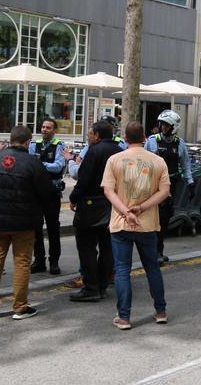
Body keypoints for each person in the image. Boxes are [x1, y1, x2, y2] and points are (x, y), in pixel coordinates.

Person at [0, 125, 58, 321]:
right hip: (24, 222)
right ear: (28, 142)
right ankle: (19, 307)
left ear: (10, 139)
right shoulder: (32, 163)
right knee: (21, 263)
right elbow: (46, 193)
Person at [102, 121, 172, 330]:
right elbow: (164, 191)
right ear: (144, 138)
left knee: (122, 270)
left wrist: (126, 211)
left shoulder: (114, 160)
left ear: (125, 138)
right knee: (152, 268)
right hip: (147, 223)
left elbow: (108, 190)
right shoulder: (158, 161)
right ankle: (160, 311)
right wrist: (141, 208)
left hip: (121, 223)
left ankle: (124, 317)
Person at [68, 120, 124, 302]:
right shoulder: (120, 151)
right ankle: (102, 285)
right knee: (107, 247)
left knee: (87, 248)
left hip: (91, 206)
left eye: (90, 134)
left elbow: (84, 179)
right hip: (114, 205)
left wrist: (73, 198)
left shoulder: (94, 151)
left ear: (97, 135)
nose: (88, 137)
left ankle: (91, 287)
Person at [144, 109, 194, 266]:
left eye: (167, 125)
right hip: (154, 186)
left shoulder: (180, 144)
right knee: (154, 217)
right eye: (162, 124)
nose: (163, 128)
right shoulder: (152, 141)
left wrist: (190, 182)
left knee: (165, 219)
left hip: (171, 186)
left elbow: (185, 164)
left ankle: (159, 250)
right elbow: (143, 162)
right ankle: (154, 251)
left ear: (174, 127)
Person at [28, 117, 66, 275]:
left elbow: (58, 166)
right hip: (36, 193)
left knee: (53, 228)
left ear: (54, 130)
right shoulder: (33, 144)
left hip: (52, 192)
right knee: (35, 228)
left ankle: (54, 262)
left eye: (48, 127)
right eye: (43, 127)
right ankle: (39, 260)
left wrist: (39, 165)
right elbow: (28, 164)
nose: (44, 130)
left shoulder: (60, 145)